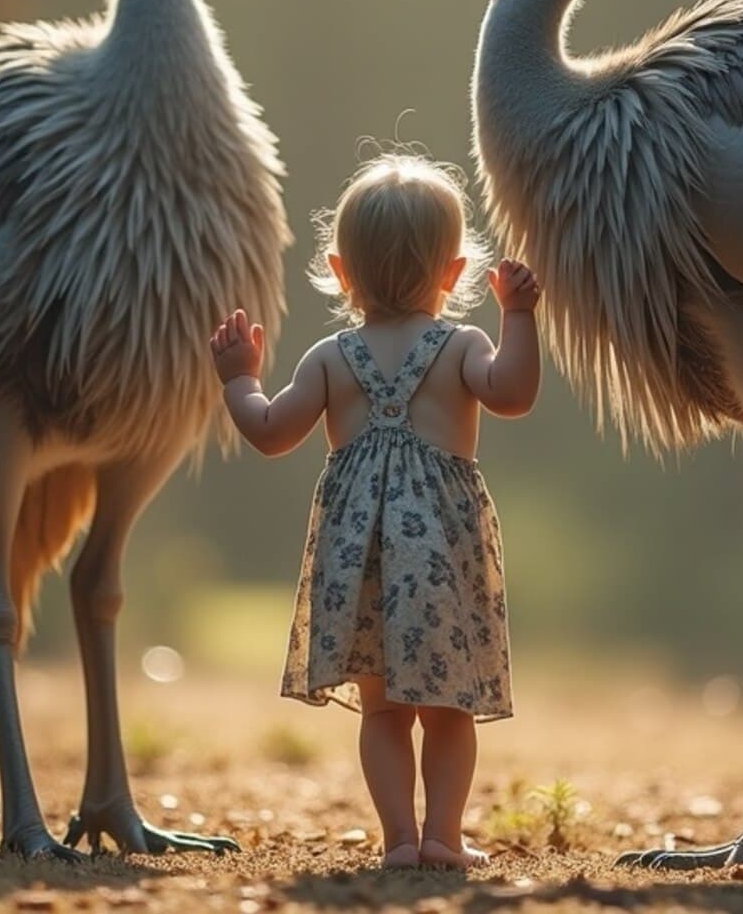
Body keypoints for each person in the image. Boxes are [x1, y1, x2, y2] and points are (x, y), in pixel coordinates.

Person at [210, 152, 542, 868]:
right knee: (449, 707)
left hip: (357, 561)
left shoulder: (330, 357)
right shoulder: (462, 346)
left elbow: (270, 432)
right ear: (453, 273)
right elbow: (514, 393)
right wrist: (518, 315)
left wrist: (239, 379)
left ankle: (398, 839)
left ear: (340, 270)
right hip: (443, 560)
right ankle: (442, 838)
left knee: (383, 708)